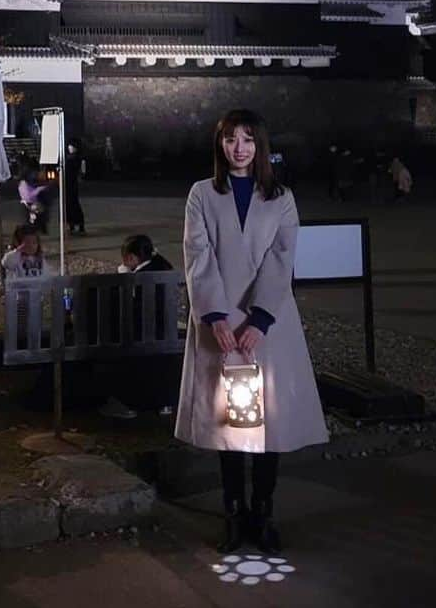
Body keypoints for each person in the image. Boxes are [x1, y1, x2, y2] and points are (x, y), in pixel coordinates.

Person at [176, 108, 327, 556]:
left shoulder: (280, 198)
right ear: (219, 145)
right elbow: (197, 255)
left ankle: (264, 512)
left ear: (259, 145)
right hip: (217, 322)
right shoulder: (202, 194)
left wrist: (260, 318)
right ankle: (233, 511)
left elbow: (282, 259)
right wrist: (215, 316)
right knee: (229, 425)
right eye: (229, 139)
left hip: (269, 324)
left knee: (269, 424)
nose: (237, 148)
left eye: (246, 139)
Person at [98, 234, 175, 420]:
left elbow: (129, 306)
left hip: (141, 333)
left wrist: (124, 277)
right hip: (167, 331)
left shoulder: (137, 277)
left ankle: (127, 403)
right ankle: (164, 404)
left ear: (131, 258)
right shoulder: (164, 267)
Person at [64, 140, 87, 235]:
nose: (69, 148)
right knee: (68, 204)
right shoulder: (67, 158)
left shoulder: (77, 159)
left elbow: (81, 171)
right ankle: (71, 224)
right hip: (67, 183)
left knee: (74, 203)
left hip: (72, 183)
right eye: (69, 146)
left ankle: (80, 224)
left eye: (71, 146)